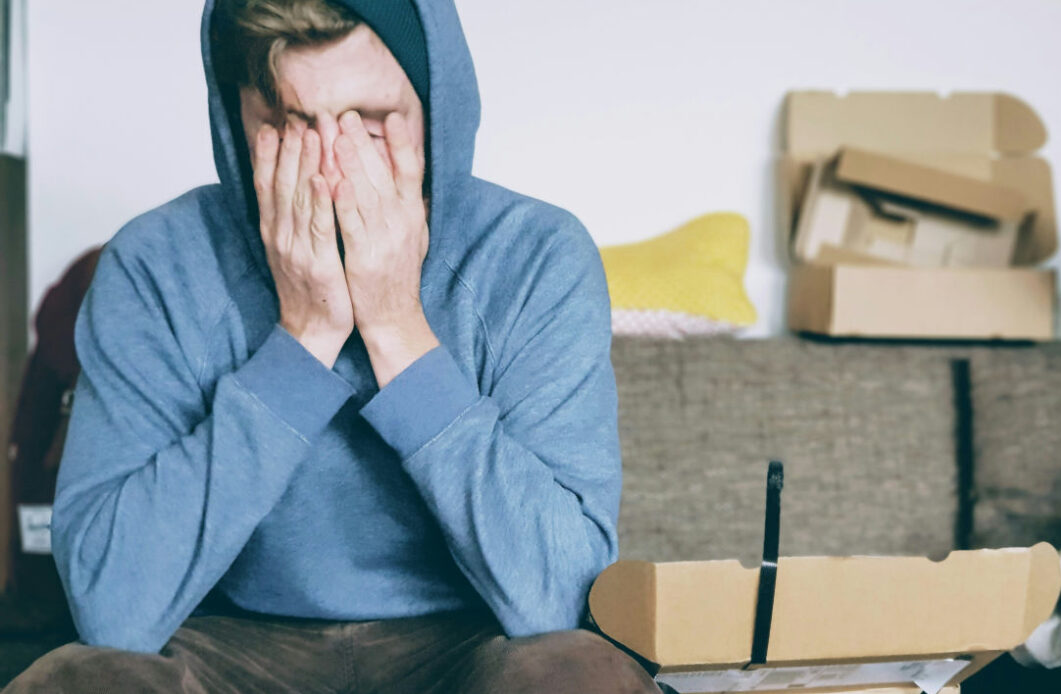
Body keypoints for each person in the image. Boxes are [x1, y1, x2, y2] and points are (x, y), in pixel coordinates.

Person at [3, 0, 662, 692]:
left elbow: (560, 600)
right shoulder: (153, 264)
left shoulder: (537, 257)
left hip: (471, 640)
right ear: (237, 122)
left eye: (370, 125)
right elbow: (112, 610)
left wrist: (397, 328)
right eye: (287, 125)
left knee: (581, 676)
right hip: (226, 642)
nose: (328, 171)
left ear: (436, 109)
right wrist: (305, 336)